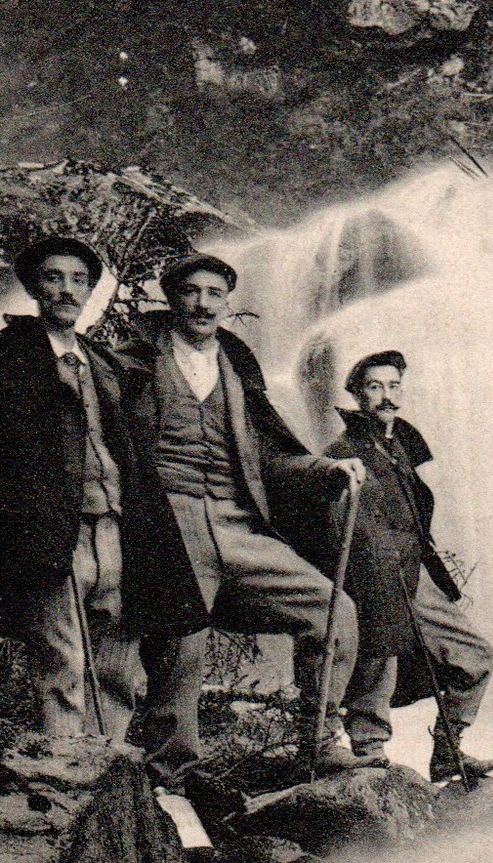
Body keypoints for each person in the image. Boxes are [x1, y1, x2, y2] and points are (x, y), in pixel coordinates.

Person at [112, 253, 367, 807]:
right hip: (166, 519)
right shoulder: (131, 361)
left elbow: (267, 457)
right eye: (191, 292)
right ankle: (171, 779)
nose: (203, 303)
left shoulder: (238, 368)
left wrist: (325, 467)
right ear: (171, 298)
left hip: (234, 518)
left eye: (214, 293)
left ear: (228, 302)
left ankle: (320, 737)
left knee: (333, 611)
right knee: (184, 641)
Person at [0, 235, 141, 740]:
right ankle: (65, 771)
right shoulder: (12, 357)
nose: (67, 290)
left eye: (79, 280)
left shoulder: (102, 362)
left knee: (116, 658)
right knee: (61, 658)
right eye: (54, 278)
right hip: (53, 531)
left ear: (90, 290)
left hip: (112, 525)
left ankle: (109, 772)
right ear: (33, 288)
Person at [326, 350, 493, 782]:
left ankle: (448, 750)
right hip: (371, 572)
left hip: (414, 567)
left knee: (476, 655)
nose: (386, 396)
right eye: (374, 387)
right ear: (356, 395)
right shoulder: (342, 450)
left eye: (393, 385)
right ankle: (369, 752)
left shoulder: (402, 443)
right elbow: (329, 521)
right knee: (377, 652)